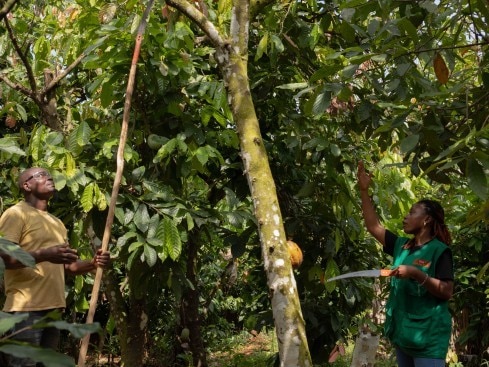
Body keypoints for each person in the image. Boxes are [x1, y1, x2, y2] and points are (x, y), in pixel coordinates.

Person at [0, 167, 110, 367]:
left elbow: (67, 267)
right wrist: (46, 254)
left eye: (49, 174)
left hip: (52, 311)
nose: (49, 177)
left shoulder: (56, 223)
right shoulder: (16, 214)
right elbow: (7, 258)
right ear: (27, 185)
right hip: (25, 310)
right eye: (41, 175)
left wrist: (92, 264)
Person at [357, 161, 454, 367]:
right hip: (404, 334)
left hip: (428, 337)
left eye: (412, 212)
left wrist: (416, 273)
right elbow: (373, 226)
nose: (405, 217)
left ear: (426, 220)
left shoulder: (440, 251)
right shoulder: (401, 245)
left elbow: (446, 291)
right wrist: (363, 190)